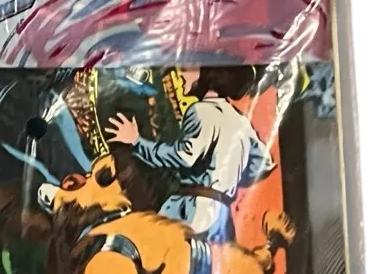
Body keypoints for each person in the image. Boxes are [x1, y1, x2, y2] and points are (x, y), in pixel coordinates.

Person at [106, 66, 274, 242]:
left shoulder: (200, 110)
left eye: (188, 69)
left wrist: (136, 142)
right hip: (222, 218)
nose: (181, 75)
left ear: (208, 75)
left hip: (189, 209)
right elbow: (262, 164)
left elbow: (185, 156)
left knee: (139, 243)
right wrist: (227, 175)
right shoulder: (241, 123)